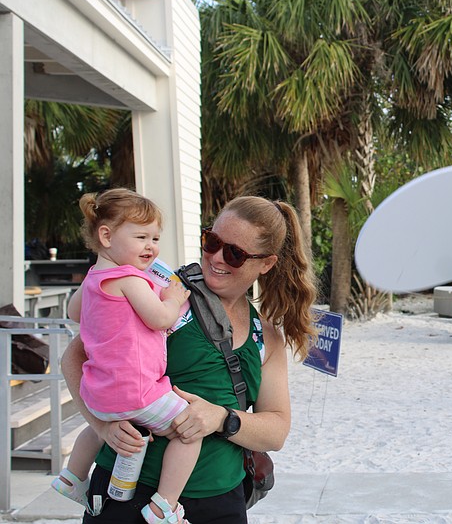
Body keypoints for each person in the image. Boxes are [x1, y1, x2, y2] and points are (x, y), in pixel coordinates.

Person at [61, 195, 318, 523]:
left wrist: (221, 418)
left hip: (222, 500)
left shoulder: (263, 335)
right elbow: (74, 357)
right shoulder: (162, 292)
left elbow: (276, 430)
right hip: (128, 493)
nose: (216, 258)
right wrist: (101, 426)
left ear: (265, 263)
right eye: (212, 241)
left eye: (235, 254)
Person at [52, 188, 194, 523]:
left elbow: (74, 312)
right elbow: (161, 318)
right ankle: (164, 506)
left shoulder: (93, 279)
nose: (152, 247)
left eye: (155, 238)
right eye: (142, 236)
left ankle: (72, 477)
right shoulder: (130, 278)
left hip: (99, 393)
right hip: (137, 391)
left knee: (98, 429)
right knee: (188, 431)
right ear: (106, 235)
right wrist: (172, 298)